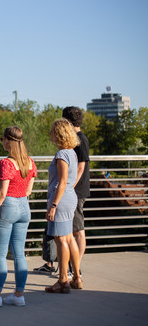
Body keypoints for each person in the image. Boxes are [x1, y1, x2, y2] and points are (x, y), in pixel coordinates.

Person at [0, 127, 37, 307]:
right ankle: (19, 295)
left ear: (8, 141)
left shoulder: (6, 163)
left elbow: (1, 194)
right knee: (19, 254)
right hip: (24, 206)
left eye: (2, 138)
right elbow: (29, 190)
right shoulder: (30, 162)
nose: (2, 141)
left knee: (1, 255)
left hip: (7, 205)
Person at [44, 118, 83, 293]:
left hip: (60, 199)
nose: (50, 134)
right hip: (69, 197)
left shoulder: (61, 155)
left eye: (52, 131)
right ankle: (76, 278)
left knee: (61, 240)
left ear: (59, 135)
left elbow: (62, 182)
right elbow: (70, 182)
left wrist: (53, 205)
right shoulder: (72, 153)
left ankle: (62, 281)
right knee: (69, 238)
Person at [62, 106, 90, 268]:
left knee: (78, 230)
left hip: (77, 191)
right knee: (71, 228)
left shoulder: (81, 139)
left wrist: (69, 187)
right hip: (73, 190)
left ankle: (76, 267)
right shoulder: (75, 139)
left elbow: (81, 167)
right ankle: (69, 265)